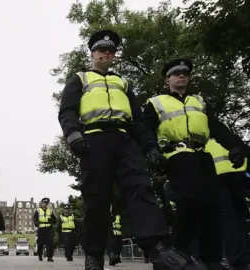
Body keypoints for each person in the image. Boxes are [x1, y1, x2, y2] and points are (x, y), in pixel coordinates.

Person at [57, 29, 192, 270]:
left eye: (111, 51)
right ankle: (94, 255)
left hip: (125, 141)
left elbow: (138, 119)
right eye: (102, 50)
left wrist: (150, 146)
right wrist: (73, 134)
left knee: (141, 189)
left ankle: (157, 247)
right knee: (97, 200)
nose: (106, 53)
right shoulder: (80, 78)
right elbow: (67, 110)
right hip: (94, 141)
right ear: (92, 53)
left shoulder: (123, 82)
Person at [142, 58, 246, 270]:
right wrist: (151, 150)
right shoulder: (156, 102)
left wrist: (236, 147)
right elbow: (146, 130)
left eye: (185, 73)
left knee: (212, 206)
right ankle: (177, 251)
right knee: (190, 201)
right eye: (176, 73)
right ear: (167, 80)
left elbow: (216, 127)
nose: (182, 76)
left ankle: (212, 258)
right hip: (177, 155)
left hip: (202, 156)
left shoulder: (199, 101)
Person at [206, 138, 250, 269]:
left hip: (219, 179)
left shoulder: (205, 137)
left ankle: (237, 259)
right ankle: (242, 258)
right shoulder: (225, 134)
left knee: (228, 220)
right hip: (238, 176)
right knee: (239, 219)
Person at [33, 197, 56, 262]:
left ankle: (49, 257)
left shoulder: (50, 211)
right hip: (41, 228)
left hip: (49, 228)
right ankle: (40, 255)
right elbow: (34, 218)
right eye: (44, 203)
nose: (45, 204)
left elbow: (55, 220)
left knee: (50, 243)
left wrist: (52, 220)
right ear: (42, 203)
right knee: (40, 243)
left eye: (46, 203)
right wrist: (36, 222)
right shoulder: (38, 210)